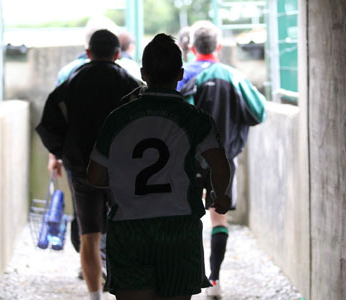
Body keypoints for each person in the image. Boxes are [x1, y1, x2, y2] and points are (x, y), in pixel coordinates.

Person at [87, 33, 232, 300]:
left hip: (129, 229)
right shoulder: (196, 119)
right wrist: (220, 196)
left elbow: (95, 176)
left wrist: (126, 180)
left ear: (143, 73)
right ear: (180, 73)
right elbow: (220, 166)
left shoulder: (117, 118)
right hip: (179, 228)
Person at [36, 29, 142, 300]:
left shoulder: (71, 84)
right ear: (118, 54)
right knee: (126, 233)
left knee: (89, 236)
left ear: (87, 54)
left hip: (82, 169)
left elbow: (48, 126)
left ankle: (95, 296)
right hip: (122, 171)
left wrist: (64, 153)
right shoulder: (130, 85)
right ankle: (125, 291)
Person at [178, 20, 266, 299]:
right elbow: (258, 112)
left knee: (186, 219)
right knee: (219, 219)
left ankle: (187, 279)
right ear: (219, 46)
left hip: (186, 163)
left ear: (191, 47)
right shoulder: (234, 77)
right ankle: (214, 282)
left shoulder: (180, 77)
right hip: (223, 161)